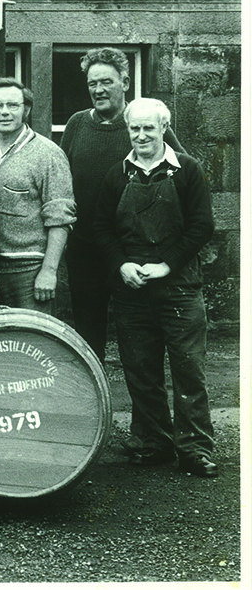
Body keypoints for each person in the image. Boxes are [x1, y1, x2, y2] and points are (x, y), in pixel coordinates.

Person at [92, 98, 216, 477]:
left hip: (179, 287)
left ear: (164, 128)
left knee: (188, 368)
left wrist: (167, 264)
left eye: (149, 128)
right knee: (141, 368)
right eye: (135, 129)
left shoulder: (187, 171)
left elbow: (202, 226)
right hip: (132, 289)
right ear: (127, 131)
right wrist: (121, 264)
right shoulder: (118, 174)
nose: (142, 135)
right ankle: (153, 440)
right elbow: (101, 228)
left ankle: (195, 447)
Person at [61, 47, 184, 363]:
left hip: (133, 252)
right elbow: (61, 178)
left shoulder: (144, 123)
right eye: (92, 83)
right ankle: (95, 405)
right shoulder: (76, 124)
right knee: (88, 336)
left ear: (125, 82)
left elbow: (183, 175)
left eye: (107, 82)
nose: (98, 90)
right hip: (85, 248)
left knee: (138, 337)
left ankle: (143, 409)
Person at [0, 78, 75, 315]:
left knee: (33, 345)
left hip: (31, 272)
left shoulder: (48, 154)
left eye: (13, 105)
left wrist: (49, 271)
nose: (4, 112)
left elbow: (60, 219)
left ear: (26, 109)